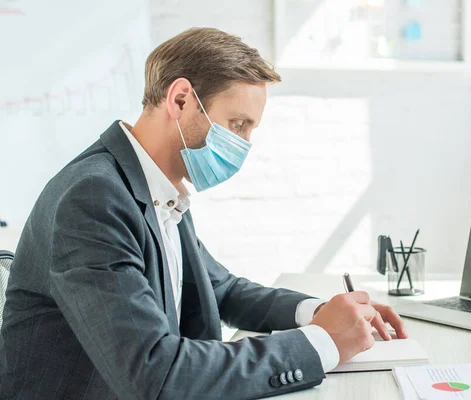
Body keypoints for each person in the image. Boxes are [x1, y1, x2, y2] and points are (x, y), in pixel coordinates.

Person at [0, 27, 407, 399]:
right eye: (237, 124)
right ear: (180, 99)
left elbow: (221, 289)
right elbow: (154, 372)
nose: (245, 144)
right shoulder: (92, 198)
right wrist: (322, 341)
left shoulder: (159, 187)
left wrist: (321, 313)